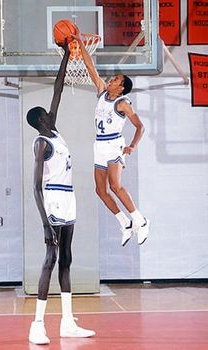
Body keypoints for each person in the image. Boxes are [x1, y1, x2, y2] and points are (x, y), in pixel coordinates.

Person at [26, 41, 95, 345]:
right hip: (52, 198)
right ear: (40, 120)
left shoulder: (54, 131)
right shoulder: (42, 142)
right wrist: (44, 224)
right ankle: (37, 325)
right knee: (50, 258)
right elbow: (35, 185)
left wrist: (68, 54)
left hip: (69, 197)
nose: (52, 114)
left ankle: (67, 322)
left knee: (66, 257)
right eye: (47, 115)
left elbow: (58, 89)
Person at [72, 30, 150, 247]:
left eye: (115, 79)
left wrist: (132, 146)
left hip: (115, 144)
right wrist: (79, 42)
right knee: (100, 190)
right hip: (100, 145)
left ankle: (140, 220)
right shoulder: (101, 92)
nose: (111, 79)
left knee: (116, 186)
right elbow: (89, 67)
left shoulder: (123, 103)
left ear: (121, 87)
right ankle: (124, 222)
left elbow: (140, 127)